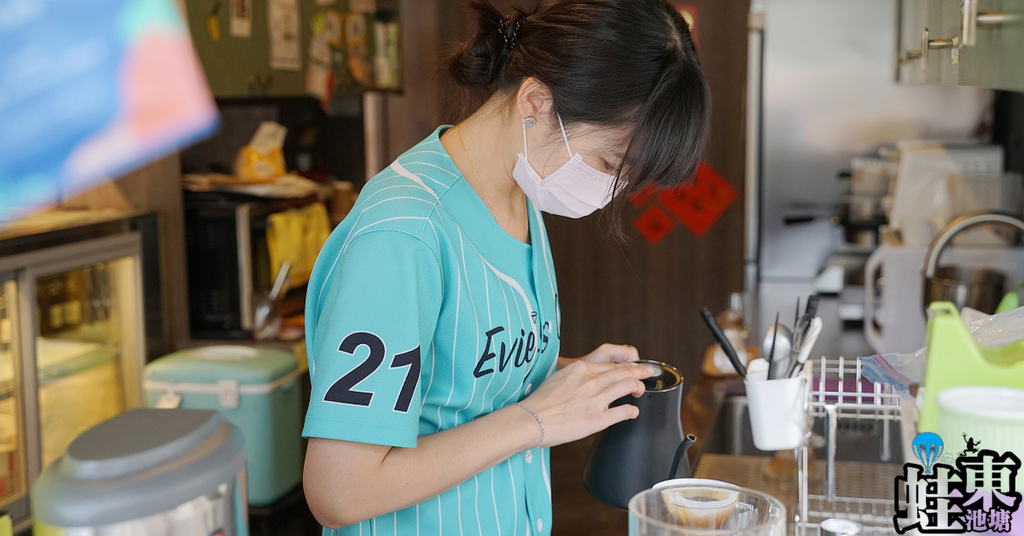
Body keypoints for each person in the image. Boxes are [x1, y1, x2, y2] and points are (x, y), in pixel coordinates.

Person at [302, 0, 710, 533]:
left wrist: (572, 380)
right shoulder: (404, 235)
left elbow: (457, 376)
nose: (613, 191)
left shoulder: (519, 196)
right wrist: (536, 420)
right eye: (611, 164)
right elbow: (340, 490)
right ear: (535, 101)